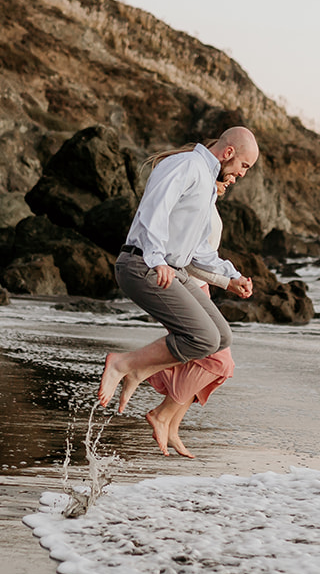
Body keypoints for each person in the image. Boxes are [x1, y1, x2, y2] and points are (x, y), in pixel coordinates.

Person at [98, 127, 258, 455]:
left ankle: (139, 371)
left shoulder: (206, 182)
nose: (242, 174)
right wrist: (156, 258)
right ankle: (123, 364)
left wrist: (231, 277)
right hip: (142, 264)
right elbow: (153, 210)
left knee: (221, 338)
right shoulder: (186, 165)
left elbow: (199, 249)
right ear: (229, 153)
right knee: (203, 339)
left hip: (175, 268)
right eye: (244, 166)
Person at [143, 178, 237, 458]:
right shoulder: (197, 200)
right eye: (228, 174)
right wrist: (228, 281)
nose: (231, 180)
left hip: (198, 289)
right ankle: (161, 414)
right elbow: (190, 258)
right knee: (219, 360)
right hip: (183, 287)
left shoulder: (209, 202)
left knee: (202, 360)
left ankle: (172, 425)